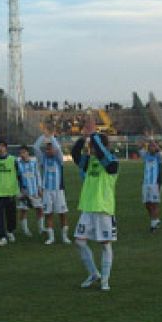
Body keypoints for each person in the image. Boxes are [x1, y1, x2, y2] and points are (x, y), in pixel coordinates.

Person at [71, 115, 119, 291]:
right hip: (88, 208)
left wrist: (94, 136)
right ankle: (94, 274)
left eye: (92, 146)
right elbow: (75, 155)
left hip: (104, 209)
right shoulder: (89, 162)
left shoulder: (112, 162)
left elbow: (104, 156)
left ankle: (105, 280)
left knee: (105, 245)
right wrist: (83, 138)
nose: (90, 149)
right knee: (79, 242)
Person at [34, 130, 70, 245]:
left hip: (58, 190)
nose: (48, 151)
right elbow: (35, 147)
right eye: (47, 149)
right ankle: (51, 238)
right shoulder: (43, 159)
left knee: (62, 213)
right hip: (47, 191)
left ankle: (65, 237)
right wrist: (43, 136)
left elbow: (58, 148)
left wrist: (52, 137)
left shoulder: (59, 159)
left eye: (50, 149)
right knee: (48, 214)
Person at [15, 144, 44, 237]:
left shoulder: (34, 162)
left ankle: (41, 228)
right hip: (24, 191)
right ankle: (25, 230)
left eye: (24, 152)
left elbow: (37, 175)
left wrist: (40, 188)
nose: (22, 154)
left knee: (39, 209)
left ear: (28, 152)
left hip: (34, 190)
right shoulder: (17, 164)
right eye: (20, 153)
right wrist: (18, 192)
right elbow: (16, 178)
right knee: (23, 210)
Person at [141, 139, 162, 232]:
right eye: (150, 146)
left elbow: (160, 152)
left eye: (154, 146)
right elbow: (140, 146)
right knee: (147, 204)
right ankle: (156, 220)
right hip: (145, 183)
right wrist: (146, 139)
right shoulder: (145, 155)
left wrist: (151, 140)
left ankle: (153, 225)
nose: (152, 147)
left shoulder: (159, 156)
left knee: (154, 204)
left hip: (155, 184)